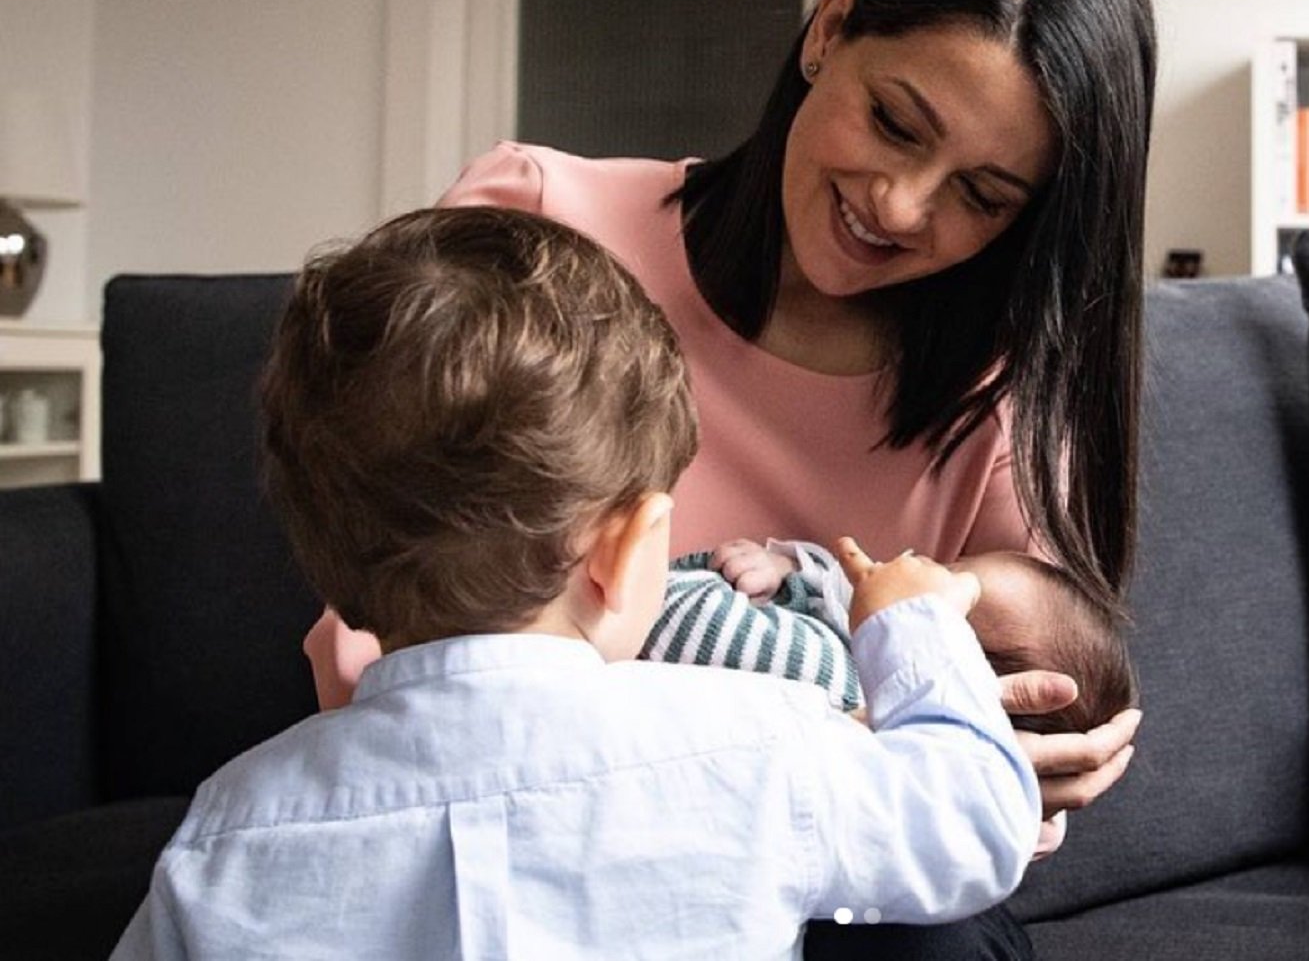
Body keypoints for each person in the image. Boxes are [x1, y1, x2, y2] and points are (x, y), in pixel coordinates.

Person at [304, 0, 1156, 959]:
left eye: (981, 196)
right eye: (895, 123)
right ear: (829, 28)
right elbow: (381, 596)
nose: (901, 207)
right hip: (478, 801)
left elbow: (966, 769)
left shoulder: (991, 407)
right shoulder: (543, 222)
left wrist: (1020, 767)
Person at [111, 206, 1041, 960]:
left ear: (328, 569)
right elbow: (977, 824)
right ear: (628, 550)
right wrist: (911, 624)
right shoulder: (761, 742)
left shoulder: (228, 832)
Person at [656, 538, 1136, 736]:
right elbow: (832, 591)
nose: (916, 564)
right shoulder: (857, 634)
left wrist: (715, 576)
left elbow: (674, 616)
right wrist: (784, 569)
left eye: (944, 586)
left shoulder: (832, 682)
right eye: (950, 566)